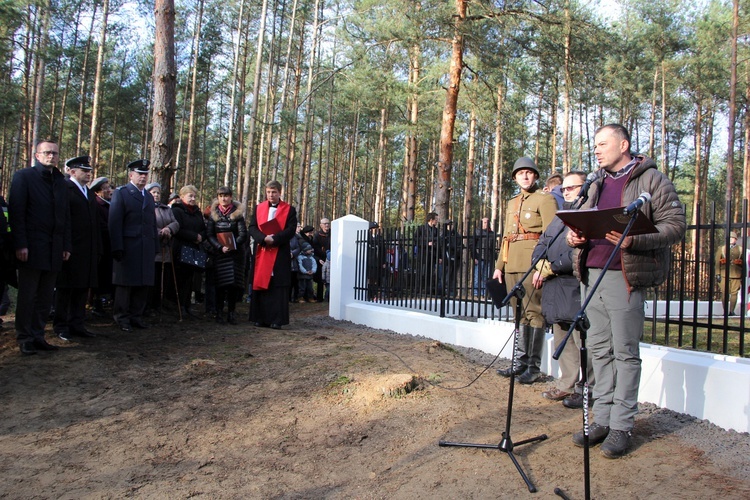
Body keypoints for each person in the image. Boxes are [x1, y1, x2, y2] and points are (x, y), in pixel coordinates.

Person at [567, 123, 685, 458]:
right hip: (591, 273)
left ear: (624, 144)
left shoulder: (652, 180)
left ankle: (621, 425)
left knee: (625, 353)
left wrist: (634, 240)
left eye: (603, 144)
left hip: (625, 276)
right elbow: (578, 223)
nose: (597, 150)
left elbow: (675, 227)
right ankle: (601, 420)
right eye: (595, 145)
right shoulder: (595, 182)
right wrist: (573, 238)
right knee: (600, 352)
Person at [531, 171, 595, 408]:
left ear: (584, 187)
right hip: (554, 286)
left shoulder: (588, 213)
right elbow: (542, 243)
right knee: (561, 336)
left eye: (572, 187)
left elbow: (581, 253)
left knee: (580, 338)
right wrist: (540, 264)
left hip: (574, 285)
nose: (566, 192)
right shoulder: (560, 217)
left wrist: (554, 267)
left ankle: (586, 388)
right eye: (564, 189)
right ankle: (566, 383)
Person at [493, 157, 558, 384]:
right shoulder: (512, 203)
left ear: (536, 176)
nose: (525, 176)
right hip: (512, 264)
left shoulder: (545, 199)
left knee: (534, 314)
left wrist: (543, 267)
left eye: (529, 173)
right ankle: (520, 363)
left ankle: (533, 366)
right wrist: (499, 266)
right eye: (520, 173)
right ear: (515, 178)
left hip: (533, 263)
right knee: (518, 314)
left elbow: (551, 236)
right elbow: (506, 237)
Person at [8, 140, 71, 355]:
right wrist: (20, 244)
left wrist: (65, 245)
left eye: (54, 153)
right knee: (28, 296)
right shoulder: (23, 177)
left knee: (45, 297)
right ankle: (24, 337)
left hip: (54, 249)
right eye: (47, 153)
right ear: (37, 155)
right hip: (31, 248)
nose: (51, 156)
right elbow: (17, 214)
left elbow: (65, 217)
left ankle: (38, 335)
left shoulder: (60, 182)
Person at [54, 155, 100, 341]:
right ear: (72, 172)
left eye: (89, 171)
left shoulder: (88, 193)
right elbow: (62, 219)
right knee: (66, 289)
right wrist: (65, 245)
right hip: (70, 249)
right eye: (84, 171)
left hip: (87, 250)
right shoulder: (65, 188)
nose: (88, 174)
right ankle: (61, 326)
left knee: (82, 288)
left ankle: (77, 324)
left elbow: (94, 223)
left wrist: (97, 248)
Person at [109, 159, 158, 332]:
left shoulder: (149, 197)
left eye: (145, 175)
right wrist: (117, 247)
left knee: (143, 283)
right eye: (140, 174)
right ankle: (122, 317)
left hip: (146, 246)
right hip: (128, 245)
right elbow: (114, 222)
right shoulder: (122, 193)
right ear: (131, 175)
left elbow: (152, 223)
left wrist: (155, 245)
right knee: (125, 283)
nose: (143, 178)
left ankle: (136, 316)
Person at [248, 180, 298, 329]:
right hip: (262, 250)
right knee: (262, 283)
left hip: (279, 252)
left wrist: (274, 239)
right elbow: (252, 227)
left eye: (274, 192)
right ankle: (260, 317)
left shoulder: (289, 210)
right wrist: (263, 238)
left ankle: (277, 319)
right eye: (269, 192)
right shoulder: (258, 208)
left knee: (277, 286)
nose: (271, 195)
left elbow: (291, 229)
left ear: (280, 193)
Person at [206, 186, 248, 324]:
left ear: (231, 197)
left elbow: (243, 234)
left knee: (233, 286)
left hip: (236, 255)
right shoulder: (213, 214)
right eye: (221, 196)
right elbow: (210, 235)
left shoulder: (238, 214)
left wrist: (233, 245)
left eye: (226, 196)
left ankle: (231, 313)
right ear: (218, 198)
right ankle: (218, 312)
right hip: (220, 255)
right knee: (220, 285)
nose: (223, 198)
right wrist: (219, 247)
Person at [171, 185, 207, 319]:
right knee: (181, 279)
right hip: (181, 249)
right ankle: (179, 306)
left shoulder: (197, 212)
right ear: (182, 197)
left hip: (194, 249)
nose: (193, 199)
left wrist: (201, 237)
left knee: (190, 279)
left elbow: (203, 228)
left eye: (194, 196)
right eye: (190, 196)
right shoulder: (177, 211)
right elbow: (178, 229)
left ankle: (187, 305)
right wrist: (193, 236)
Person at [147, 182, 180, 313]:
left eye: (158, 192)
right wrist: (160, 232)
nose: (156, 195)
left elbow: (175, 223)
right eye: (153, 192)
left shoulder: (167, 209)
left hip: (166, 250)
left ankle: (159, 304)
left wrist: (169, 229)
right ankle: (149, 305)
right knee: (153, 279)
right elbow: (146, 225)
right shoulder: (146, 208)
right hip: (153, 249)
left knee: (164, 279)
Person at [90, 176, 113, 316]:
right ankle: (96, 303)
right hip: (101, 244)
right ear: (98, 191)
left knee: (106, 275)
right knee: (99, 275)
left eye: (109, 187)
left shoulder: (110, 204)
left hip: (109, 245)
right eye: (106, 188)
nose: (109, 190)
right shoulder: (97, 204)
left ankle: (102, 302)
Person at [716, 231, 743, 316]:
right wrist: (717, 274)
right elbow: (717, 262)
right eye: (730, 238)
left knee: (734, 293)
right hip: (724, 274)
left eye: (733, 238)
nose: (731, 239)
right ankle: (725, 311)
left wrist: (743, 275)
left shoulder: (740, 249)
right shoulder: (722, 248)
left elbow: (743, 262)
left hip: (736, 275)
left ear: (735, 239)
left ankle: (731, 311)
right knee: (724, 293)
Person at [414, 212, 440, 293]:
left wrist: (439, 256)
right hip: (423, 254)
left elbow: (439, 243)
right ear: (431, 220)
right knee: (421, 272)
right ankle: (418, 289)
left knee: (431, 273)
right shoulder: (421, 228)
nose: (437, 221)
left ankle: (428, 289)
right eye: (436, 219)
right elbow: (415, 240)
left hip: (433, 254)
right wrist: (426, 244)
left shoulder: (436, 230)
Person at [472, 217, 495, 298]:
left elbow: (493, 247)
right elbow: (473, 245)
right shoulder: (477, 232)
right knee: (477, 276)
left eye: (487, 222)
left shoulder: (492, 233)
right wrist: (474, 257)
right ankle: (475, 293)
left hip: (488, 258)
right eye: (484, 222)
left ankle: (484, 293)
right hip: (479, 257)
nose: (486, 224)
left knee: (486, 276)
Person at [297, 225, 318, 302]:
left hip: (310, 271)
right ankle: (301, 297)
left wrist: (313, 270)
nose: (311, 234)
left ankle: (310, 297)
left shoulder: (311, 239)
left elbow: (314, 264)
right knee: (301, 286)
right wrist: (305, 271)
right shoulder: (302, 240)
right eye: (309, 232)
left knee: (310, 286)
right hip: (303, 273)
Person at [441, 220, 462, 297]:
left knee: (453, 276)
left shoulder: (456, 234)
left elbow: (460, 245)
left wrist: (457, 250)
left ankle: (453, 292)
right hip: (447, 258)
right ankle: (446, 291)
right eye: (448, 225)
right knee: (446, 275)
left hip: (456, 258)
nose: (450, 226)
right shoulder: (444, 235)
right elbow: (442, 246)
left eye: (451, 225)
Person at [312, 217, 331, 301]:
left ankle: (329, 297)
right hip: (321, 259)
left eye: (328, 223)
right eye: (325, 223)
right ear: (321, 225)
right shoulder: (317, 235)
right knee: (320, 279)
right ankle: (320, 298)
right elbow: (315, 248)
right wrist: (318, 259)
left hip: (331, 259)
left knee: (331, 279)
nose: (327, 225)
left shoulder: (333, 233)